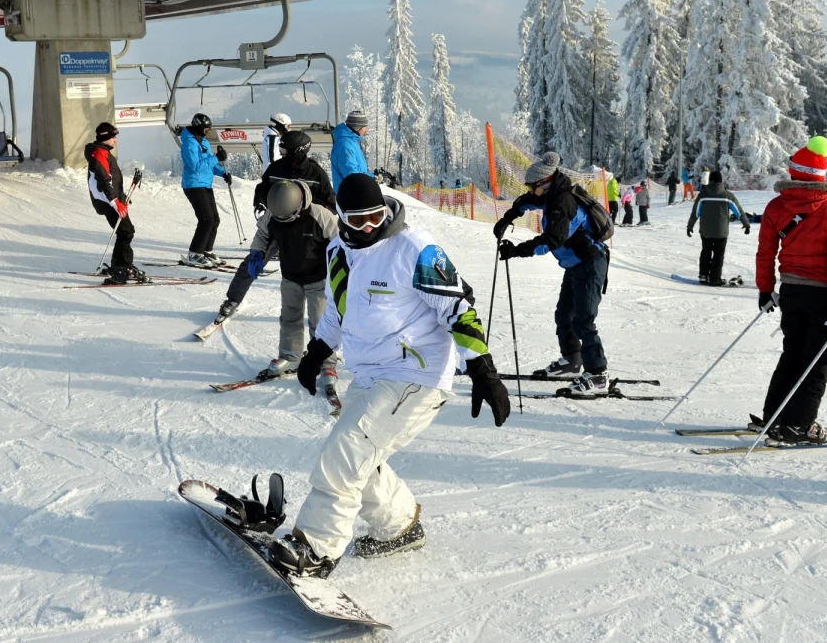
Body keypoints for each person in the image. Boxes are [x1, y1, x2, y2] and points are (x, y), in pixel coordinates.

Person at [268, 173, 509, 578]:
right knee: (360, 455)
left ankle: (316, 548)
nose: (370, 227)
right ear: (342, 218)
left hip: (415, 373)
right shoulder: (338, 253)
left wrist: (483, 369)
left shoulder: (414, 249)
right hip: (370, 373)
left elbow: (459, 308)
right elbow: (340, 312)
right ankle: (399, 527)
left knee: (346, 451)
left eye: (376, 216)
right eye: (359, 220)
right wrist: (316, 352)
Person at [755, 136, 827, 444]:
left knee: (794, 355)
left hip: (791, 292)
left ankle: (775, 418)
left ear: (794, 173)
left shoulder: (776, 206)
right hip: (824, 295)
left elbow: (765, 252)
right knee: (818, 363)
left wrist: (765, 289)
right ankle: (799, 425)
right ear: (822, 177)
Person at [494, 152, 611, 394]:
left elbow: (553, 240)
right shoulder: (551, 194)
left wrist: (517, 250)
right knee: (563, 315)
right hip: (575, 264)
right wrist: (507, 218)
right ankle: (571, 361)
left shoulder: (562, 202)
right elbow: (527, 201)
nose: (529, 189)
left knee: (583, 320)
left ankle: (598, 375)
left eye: (531, 185)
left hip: (590, 263)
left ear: (544, 183)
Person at [226, 180, 339, 378]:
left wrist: (340, 269)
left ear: (298, 207)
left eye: (286, 218)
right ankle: (290, 355)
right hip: (290, 277)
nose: (281, 221)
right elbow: (262, 234)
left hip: (318, 279)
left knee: (320, 322)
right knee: (290, 318)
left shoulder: (320, 215)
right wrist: (257, 253)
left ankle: (325, 362)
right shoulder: (273, 214)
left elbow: (338, 242)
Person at [86, 122, 148, 284]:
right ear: (105, 137)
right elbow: (104, 182)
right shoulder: (100, 153)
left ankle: (119, 265)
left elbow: (112, 180)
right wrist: (115, 202)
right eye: (113, 137)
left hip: (109, 200)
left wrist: (122, 197)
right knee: (126, 232)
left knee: (124, 232)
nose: (115, 140)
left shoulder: (102, 152)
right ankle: (122, 267)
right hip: (106, 201)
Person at [180, 113, 228, 267]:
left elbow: (209, 165)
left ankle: (206, 250)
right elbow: (195, 166)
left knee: (214, 219)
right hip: (193, 185)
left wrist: (223, 173)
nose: (207, 132)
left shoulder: (204, 142)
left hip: (205, 184)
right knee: (206, 219)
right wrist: (216, 157)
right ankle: (194, 253)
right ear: (198, 127)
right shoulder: (189, 143)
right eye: (206, 130)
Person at [686, 170, 750, 286]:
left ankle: (704, 276)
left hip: (706, 231)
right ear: (721, 181)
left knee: (706, 251)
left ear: (710, 180)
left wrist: (690, 226)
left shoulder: (703, 194)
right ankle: (715, 278)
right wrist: (746, 224)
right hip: (721, 232)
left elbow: (696, 212)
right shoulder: (727, 195)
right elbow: (739, 212)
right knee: (718, 254)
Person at [253, 130, 334, 213]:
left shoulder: (315, 173)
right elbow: (262, 188)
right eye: (280, 149)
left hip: (307, 222)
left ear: (298, 152)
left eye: (284, 151)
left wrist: (312, 205)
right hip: (278, 219)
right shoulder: (275, 168)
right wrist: (260, 203)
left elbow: (330, 203)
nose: (281, 153)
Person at [330, 110, 369, 190]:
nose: (366, 130)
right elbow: (351, 175)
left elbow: (358, 171)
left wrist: (373, 176)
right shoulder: (345, 145)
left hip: (354, 192)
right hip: (349, 195)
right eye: (364, 126)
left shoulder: (351, 142)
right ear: (357, 127)